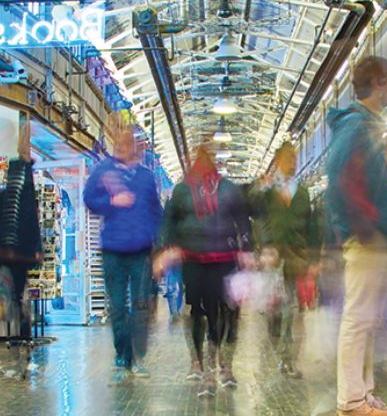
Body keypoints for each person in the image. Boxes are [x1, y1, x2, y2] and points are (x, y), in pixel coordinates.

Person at [324, 56, 387, 416]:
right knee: (359, 317)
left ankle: (363, 394)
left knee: (367, 318)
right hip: (367, 238)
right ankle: (352, 399)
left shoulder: (366, 126)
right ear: (378, 81)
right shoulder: (356, 127)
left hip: (373, 235)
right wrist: (367, 225)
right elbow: (341, 179)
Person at [157, 145, 253, 397]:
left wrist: (246, 248)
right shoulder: (182, 191)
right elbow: (169, 220)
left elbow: (242, 218)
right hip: (193, 260)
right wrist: (169, 248)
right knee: (200, 313)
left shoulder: (226, 189)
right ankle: (204, 365)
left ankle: (218, 364)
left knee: (220, 313)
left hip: (223, 259)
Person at [83, 117, 163, 384]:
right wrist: (111, 201)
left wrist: (158, 246)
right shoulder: (104, 170)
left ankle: (137, 357)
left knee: (139, 307)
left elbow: (156, 213)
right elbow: (89, 199)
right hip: (113, 251)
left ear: (135, 146)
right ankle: (122, 357)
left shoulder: (146, 177)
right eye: (120, 141)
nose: (124, 146)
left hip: (140, 252)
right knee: (117, 307)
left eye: (128, 141)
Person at [249, 142, 319, 379]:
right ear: (278, 161)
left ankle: (287, 359)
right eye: (288, 158)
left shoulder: (303, 192)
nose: (292, 162)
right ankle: (278, 345)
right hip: (273, 258)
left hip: (296, 257)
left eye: (294, 158)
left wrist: (313, 258)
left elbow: (310, 225)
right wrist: (258, 189)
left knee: (292, 309)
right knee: (274, 309)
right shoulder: (268, 190)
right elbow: (253, 213)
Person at [0, 125, 41, 342]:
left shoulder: (12, 195)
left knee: (14, 294)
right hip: (13, 251)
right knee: (14, 295)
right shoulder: (12, 194)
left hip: (14, 251)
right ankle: (18, 334)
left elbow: (21, 200)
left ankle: (17, 334)